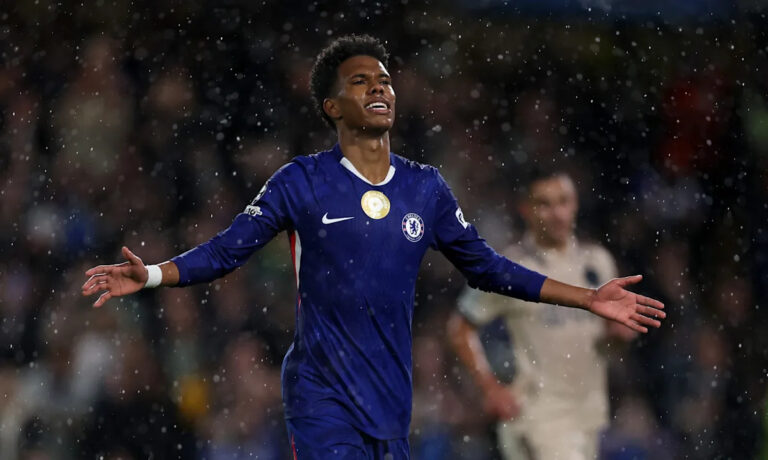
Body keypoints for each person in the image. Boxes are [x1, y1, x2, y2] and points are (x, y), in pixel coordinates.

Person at [81, 35, 665, 460]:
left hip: (389, 398)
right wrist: (151, 274)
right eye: (360, 81)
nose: (379, 87)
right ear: (332, 107)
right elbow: (226, 251)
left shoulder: (425, 188)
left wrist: (588, 298)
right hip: (320, 391)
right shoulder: (302, 181)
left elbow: (488, 268)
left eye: (384, 79)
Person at [448, 170, 638, 459]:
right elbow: (460, 327)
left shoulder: (598, 263)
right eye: (544, 204)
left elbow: (604, 344)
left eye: (563, 201)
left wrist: (619, 338)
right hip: (538, 416)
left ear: (575, 204)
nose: (557, 213)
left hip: (587, 414)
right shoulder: (512, 267)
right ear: (525, 209)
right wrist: (490, 388)